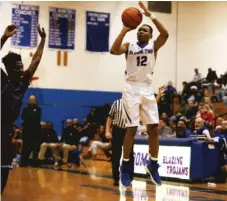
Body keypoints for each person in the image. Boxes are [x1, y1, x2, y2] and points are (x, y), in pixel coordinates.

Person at [110, 1, 169, 187]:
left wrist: (149, 14)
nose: (141, 32)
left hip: (147, 88)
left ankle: (153, 164)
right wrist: (124, 30)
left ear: (151, 35)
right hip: (131, 88)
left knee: (153, 128)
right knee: (132, 129)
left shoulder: (154, 46)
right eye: (139, 30)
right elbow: (113, 50)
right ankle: (126, 166)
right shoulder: (129, 46)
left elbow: (165, 33)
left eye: (144, 30)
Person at [1, 24, 46, 193]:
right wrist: (4, 38)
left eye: (22, 66)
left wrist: (43, 40)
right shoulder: (2, 78)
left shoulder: (22, 83)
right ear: (10, 69)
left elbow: (35, 60)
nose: (22, 69)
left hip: (6, 129)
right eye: (19, 67)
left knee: (4, 168)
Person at [105, 99, 134, 186]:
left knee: (130, 155)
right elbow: (110, 117)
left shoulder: (135, 103)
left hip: (129, 131)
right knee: (116, 155)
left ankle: (129, 178)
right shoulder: (116, 103)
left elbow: (149, 105)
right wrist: (107, 131)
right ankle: (116, 178)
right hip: (117, 130)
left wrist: (158, 95)